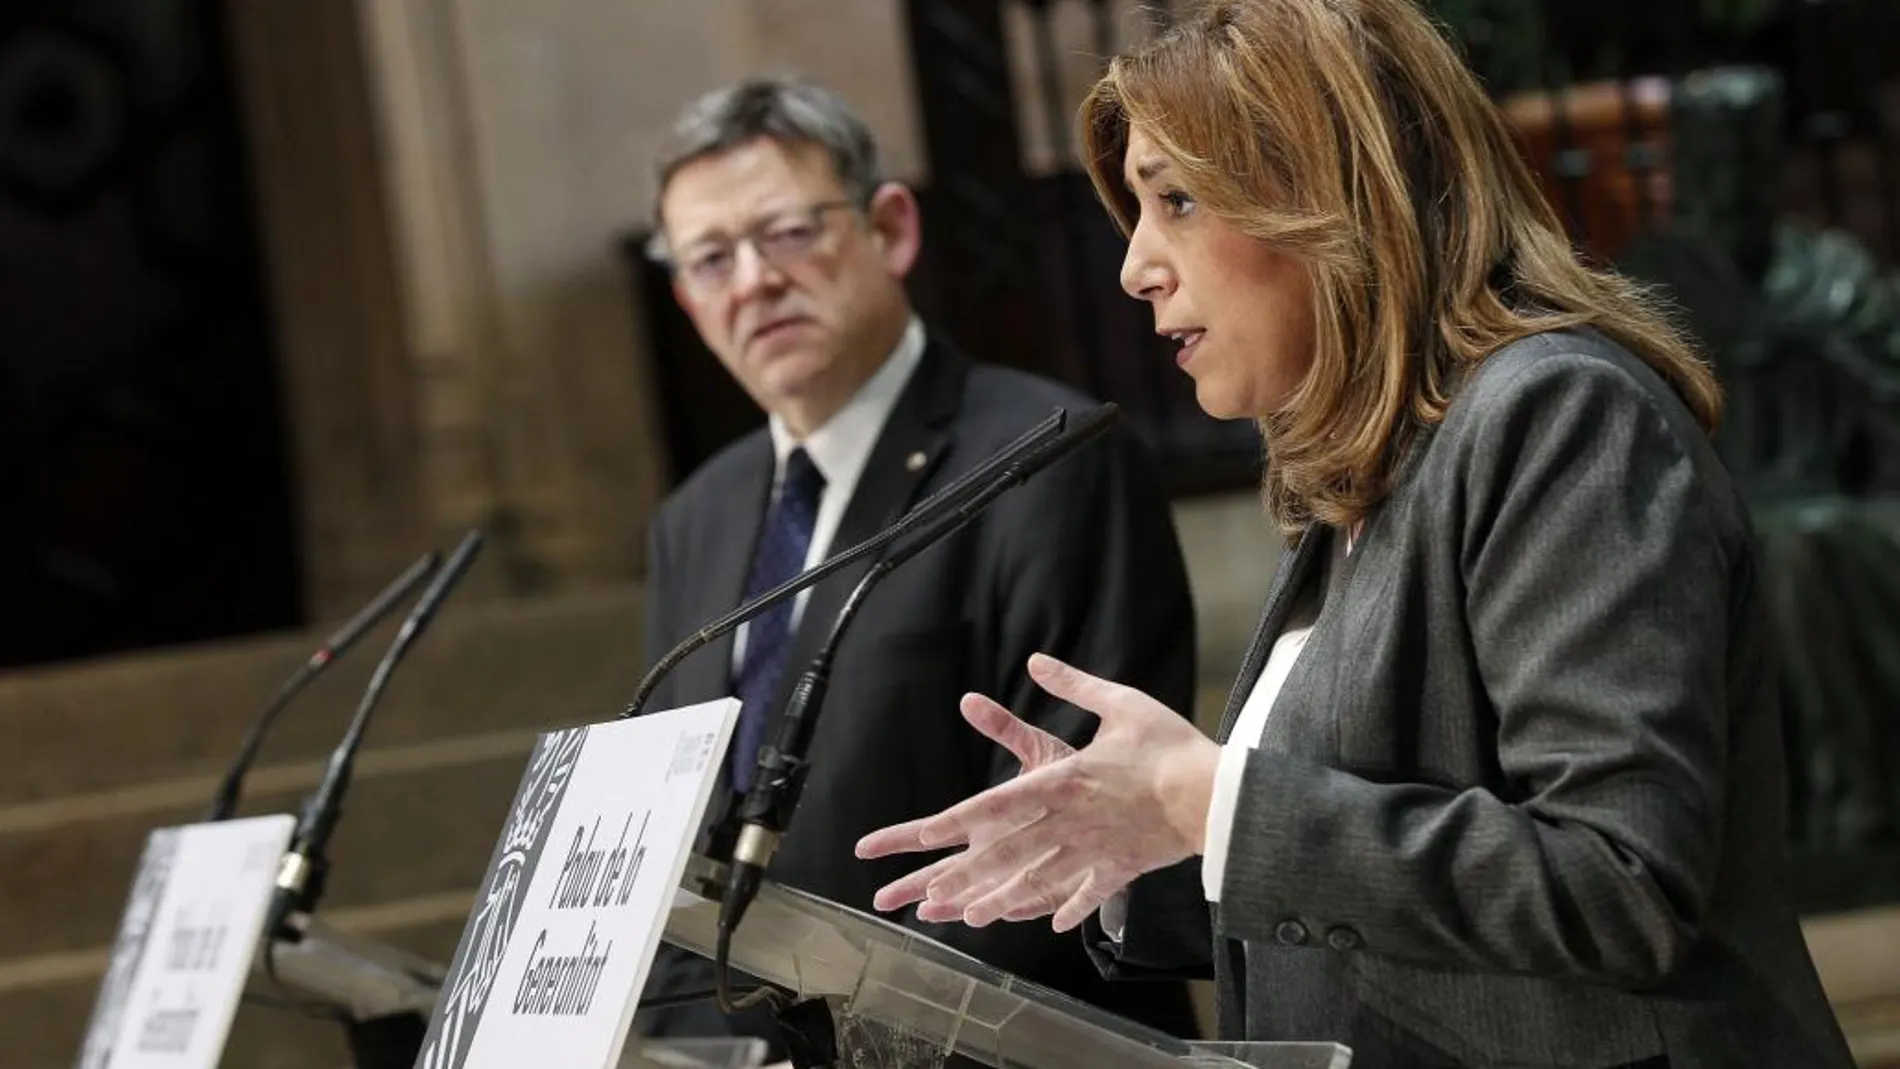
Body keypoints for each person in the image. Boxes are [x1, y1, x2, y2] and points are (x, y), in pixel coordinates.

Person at [854, 2, 1859, 1066]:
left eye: (1178, 201)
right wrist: (1146, 841)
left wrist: (1216, 802)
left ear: (1330, 196)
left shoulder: (1559, 417)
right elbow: (1372, 893)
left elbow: (1617, 884)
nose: (1133, 266)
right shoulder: (1367, 479)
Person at [632, 78, 1202, 1048]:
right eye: (712, 258)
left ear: (889, 228)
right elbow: (679, 848)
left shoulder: (1048, 453)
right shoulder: (696, 517)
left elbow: (1057, 835)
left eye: (786, 233)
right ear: (688, 299)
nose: (753, 281)